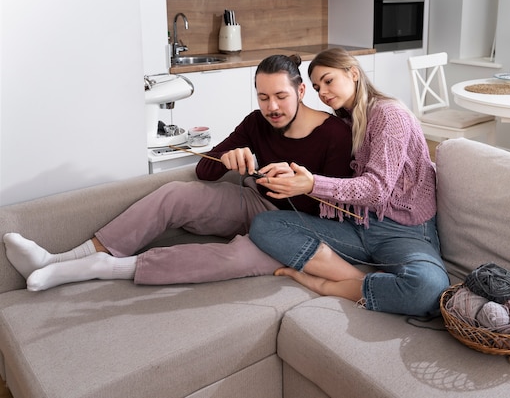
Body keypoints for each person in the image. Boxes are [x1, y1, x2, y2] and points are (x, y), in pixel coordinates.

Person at [4, 54, 353, 291]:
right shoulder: (256, 123)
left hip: (298, 227)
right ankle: (60, 258)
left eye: (280, 96)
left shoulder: (334, 134)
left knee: (237, 256)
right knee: (174, 193)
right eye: (263, 97)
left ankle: (101, 268)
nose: (272, 107)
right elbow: (203, 171)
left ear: (301, 91)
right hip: (252, 202)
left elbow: (337, 212)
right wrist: (228, 156)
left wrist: (298, 184)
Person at [249, 48, 450, 317]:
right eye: (318, 87)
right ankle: (358, 280)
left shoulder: (389, 115)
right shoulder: (346, 120)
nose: (323, 92)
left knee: (428, 289)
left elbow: (377, 190)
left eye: (328, 81)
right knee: (264, 225)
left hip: (404, 232)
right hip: (357, 226)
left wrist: (311, 184)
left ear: (353, 73)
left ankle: (333, 286)